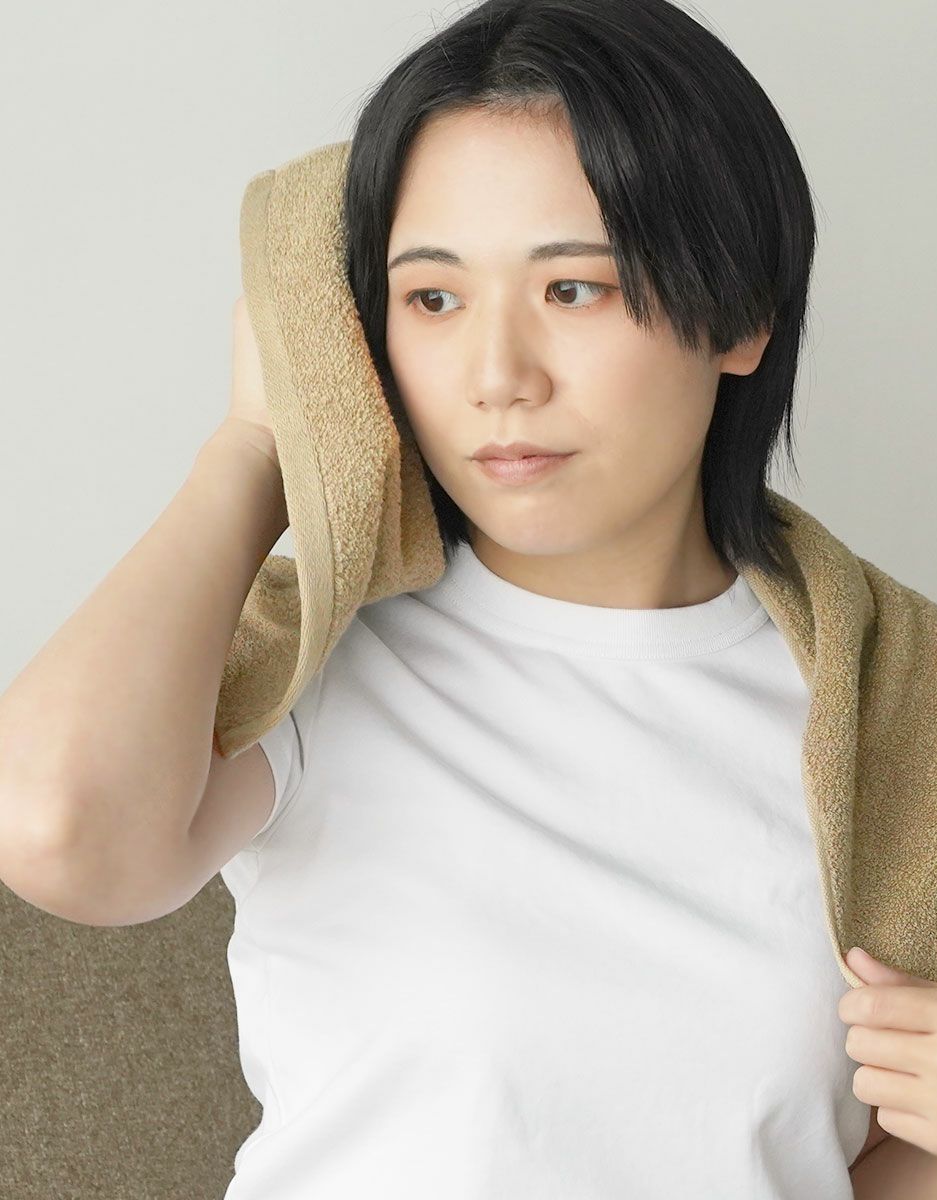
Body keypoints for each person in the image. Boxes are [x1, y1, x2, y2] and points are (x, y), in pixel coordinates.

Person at [1, 1, 889, 1195]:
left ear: (738, 312)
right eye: (431, 299)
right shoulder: (316, 660)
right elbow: (60, 834)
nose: (496, 377)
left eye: (573, 289)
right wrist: (257, 446)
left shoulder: (890, 707)